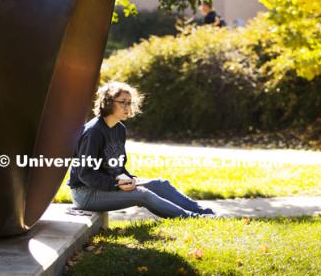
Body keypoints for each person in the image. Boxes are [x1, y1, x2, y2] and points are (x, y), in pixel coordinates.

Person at [67, 81, 215, 219]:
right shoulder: (94, 132)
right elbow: (85, 174)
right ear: (108, 103)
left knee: (160, 184)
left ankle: (206, 213)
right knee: (142, 195)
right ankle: (193, 218)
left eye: (129, 103)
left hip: (108, 186)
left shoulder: (119, 129)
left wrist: (129, 179)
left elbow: (117, 167)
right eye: (123, 103)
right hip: (86, 194)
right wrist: (116, 184)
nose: (128, 107)